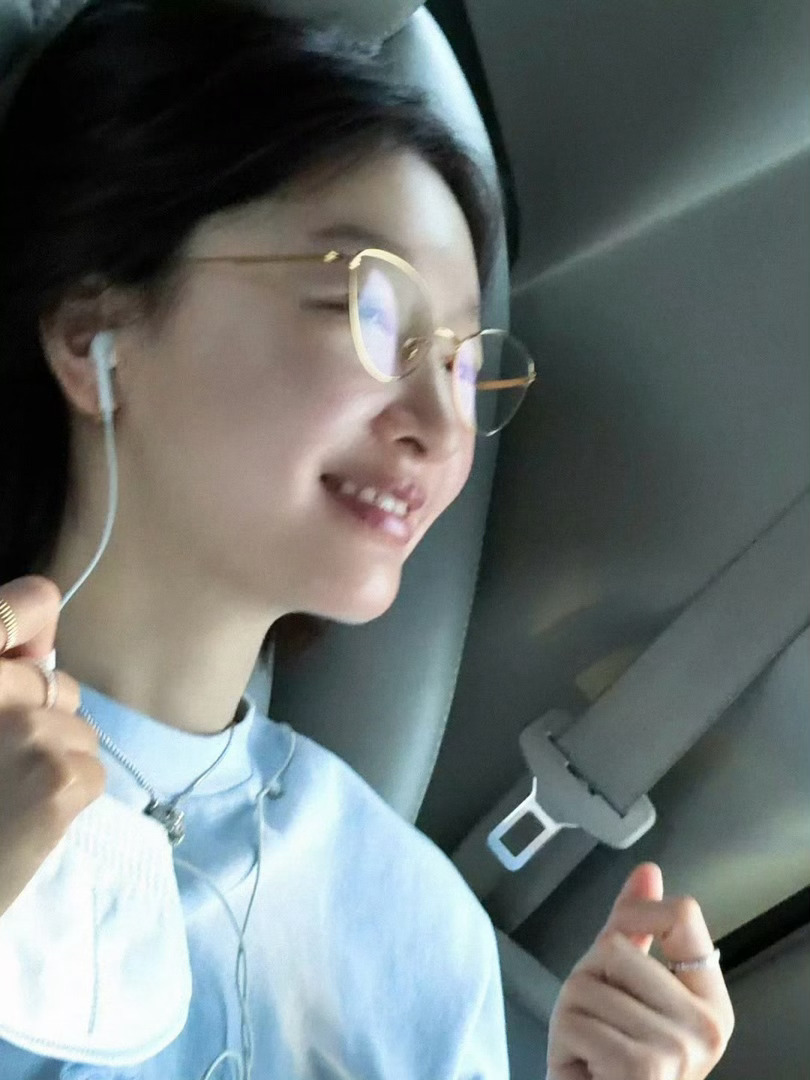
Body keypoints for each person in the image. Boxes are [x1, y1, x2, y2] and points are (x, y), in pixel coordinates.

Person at [0, 1, 524, 1077]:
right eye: (372, 314)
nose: (441, 424)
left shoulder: (426, 937)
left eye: (465, 365)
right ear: (92, 334)